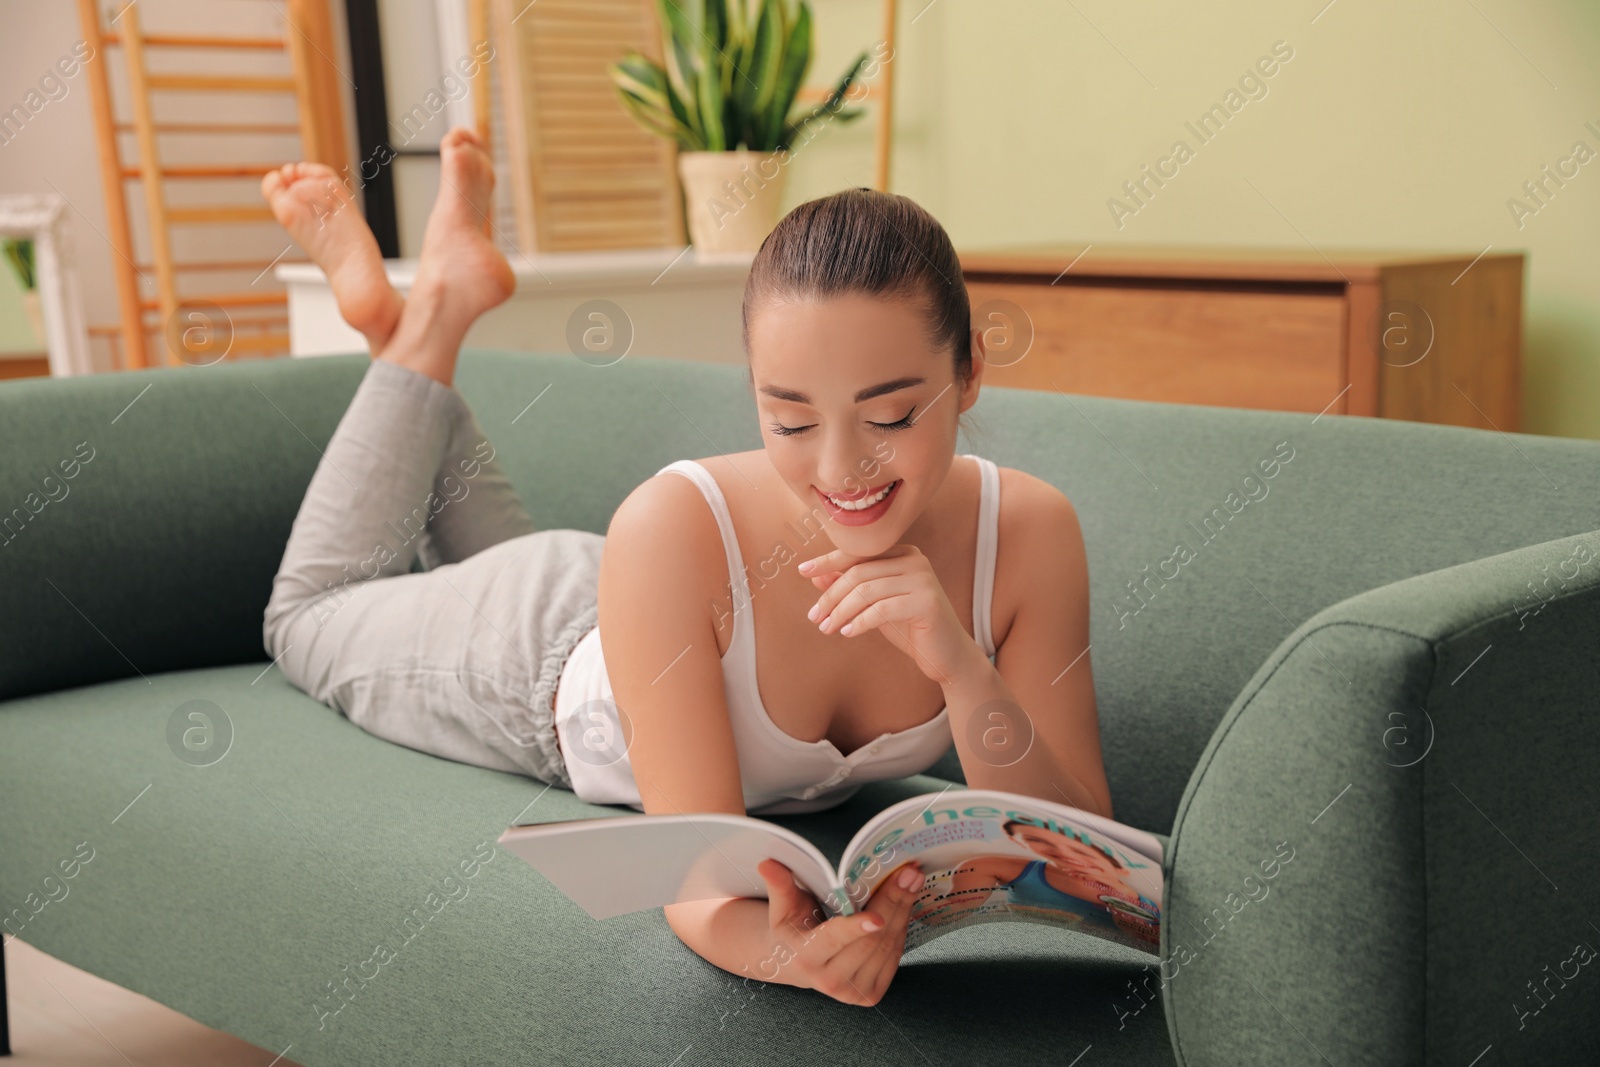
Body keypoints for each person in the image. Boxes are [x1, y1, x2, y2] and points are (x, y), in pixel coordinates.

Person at [258, 127, 1112, 1008]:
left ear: (968, 371)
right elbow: (694, 880)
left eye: (891, 417)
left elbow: (1091, 847)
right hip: (535, 652)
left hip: (648, 606)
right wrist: (795, 958)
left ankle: (404, 328)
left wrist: (962, 668)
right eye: (790, 421)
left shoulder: (1030, 533)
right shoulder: (670, 524)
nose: (839, 470)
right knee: (308, 616)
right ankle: (428, 311)